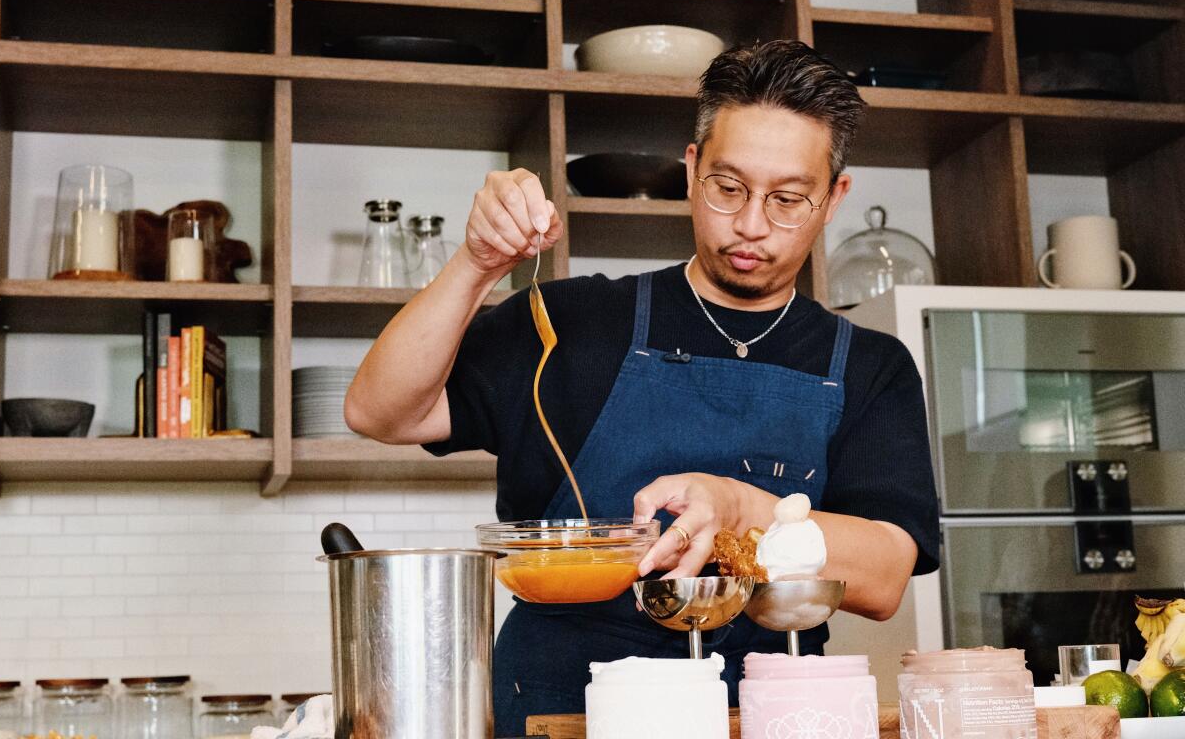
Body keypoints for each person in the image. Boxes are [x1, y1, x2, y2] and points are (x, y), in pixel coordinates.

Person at [345, 39, 940, 734]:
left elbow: (885, 576)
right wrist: (476, 264)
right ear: (691, 171)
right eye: (728, 187)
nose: (750, 224)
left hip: (768, 713)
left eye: (787, 199)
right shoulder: (575, 321)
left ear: (834, 197)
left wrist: (740, 509)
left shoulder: (870, 365)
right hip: (556, 711)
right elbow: (380, 412)